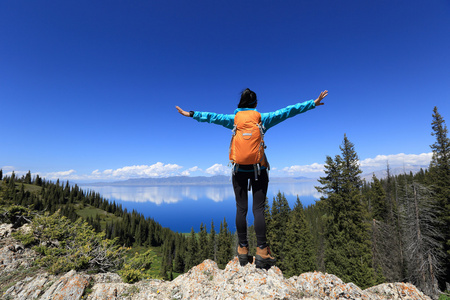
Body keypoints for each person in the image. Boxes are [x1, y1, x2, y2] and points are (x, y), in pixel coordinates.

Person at [176, 88, 328, 269]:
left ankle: (242, 250)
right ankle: (262, 251)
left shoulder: (233, 120)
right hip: (259, 170)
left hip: (239, 170)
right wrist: (313, 103)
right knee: (258, 210)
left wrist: (191, 114)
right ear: (256, 104)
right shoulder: (262, 119)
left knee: (241, 210)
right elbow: (288, 111)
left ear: (240, 104)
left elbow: (212, 117)